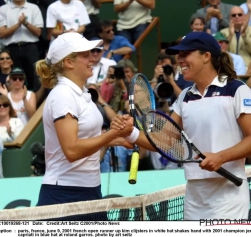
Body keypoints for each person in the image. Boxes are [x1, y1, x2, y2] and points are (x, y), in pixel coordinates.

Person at [111, 32, 251, 220]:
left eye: (186, 54)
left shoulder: (236, 90)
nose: (180, 60)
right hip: (194, 197)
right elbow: (163, 142)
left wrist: (220, 157)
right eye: (179, 56)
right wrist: (132, 133)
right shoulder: (185, 96)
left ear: (206, 56)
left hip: (228, 196)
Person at [35, 32, 133, 208]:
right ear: (69, 62)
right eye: (86, 55)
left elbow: (86, 139)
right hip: (64, 195)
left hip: (89, 190)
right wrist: (112, 134)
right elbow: (72, 150)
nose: (92, 59)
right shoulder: (63, 95)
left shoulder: (83, 94)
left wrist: (117, 140)